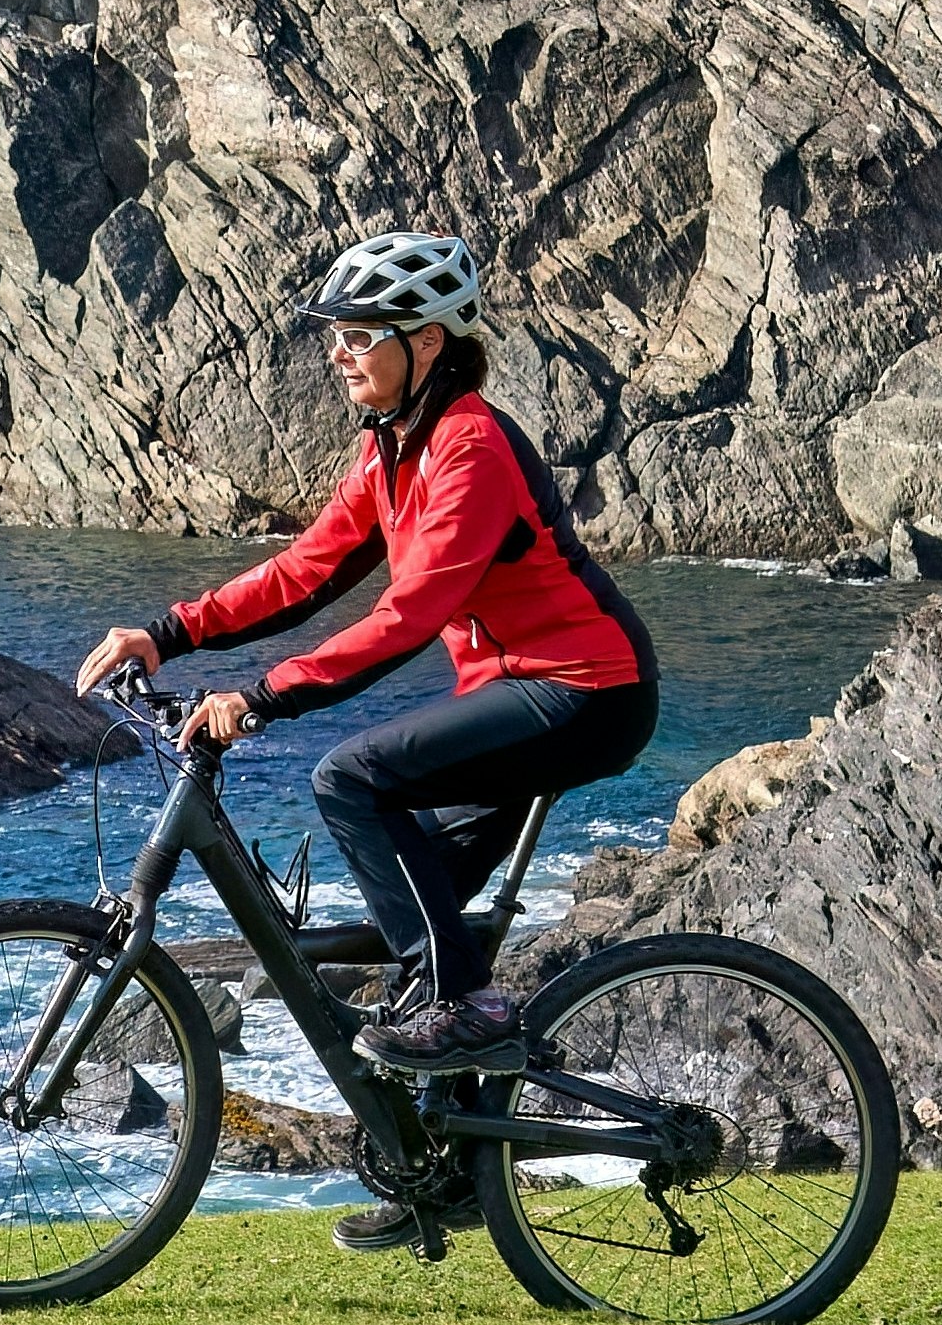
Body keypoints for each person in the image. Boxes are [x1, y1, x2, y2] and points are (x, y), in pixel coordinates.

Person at [71, 228, 658, 1206]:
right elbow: (306, 571)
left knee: (349, 779)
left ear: (424, 343)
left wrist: (259, 700)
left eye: (358, 334)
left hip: (582, 691)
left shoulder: (469, 446)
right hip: (513, 699)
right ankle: (444, 1173)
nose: (338, 353)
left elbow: (406, 617)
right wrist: (166, 635)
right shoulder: (390, 451)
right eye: (334, 336)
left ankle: (469, 1005)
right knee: (410, 942)